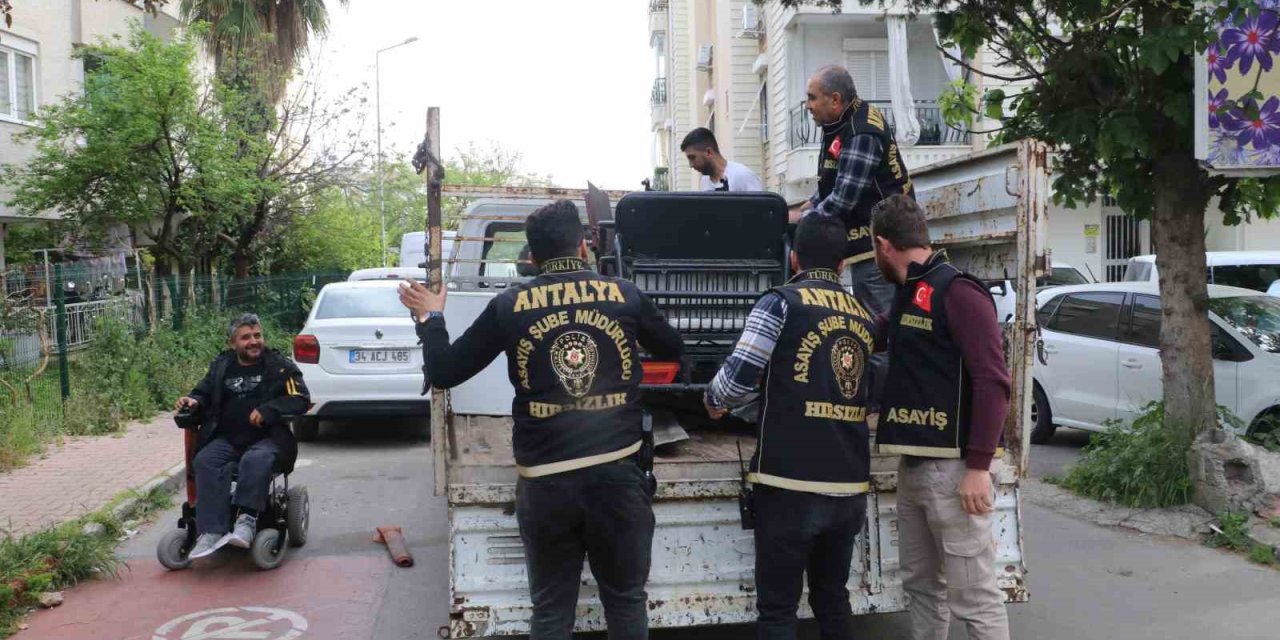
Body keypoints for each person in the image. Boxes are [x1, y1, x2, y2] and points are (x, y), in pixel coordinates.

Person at [398, 200, 684, 640]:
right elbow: (672, 348)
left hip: (545, 481)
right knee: (626, 601)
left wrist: (431, 317)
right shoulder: (625, 295)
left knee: (551, 613)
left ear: (531, 256)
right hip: (618, 476)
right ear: (584, 246)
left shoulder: (509, 305)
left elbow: (444, 372)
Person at [703, 214, 876, 640]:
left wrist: (714, 401)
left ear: (794, 258)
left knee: (778, 609)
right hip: (849, 485)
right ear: (842, 265)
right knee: (832, 598)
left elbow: (738, 379)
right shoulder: (865, 315)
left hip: (788, 484)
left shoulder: (780, 302)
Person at [870, 194, 1011, 640]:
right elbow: (881, 331)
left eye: (874, 250)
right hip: (913, 465)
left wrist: (978, 467)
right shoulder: (911, 290)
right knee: (921, 588)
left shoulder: (959, 291)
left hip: (955, 472)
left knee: (975, 599)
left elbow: (993, 383)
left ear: (882, 245)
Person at [798, 64, 915, 407]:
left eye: (812, 98)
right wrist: (808, 205)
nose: (808, 106)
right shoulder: (846, 120)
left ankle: (881, 409)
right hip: (873, 238)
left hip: (881, 243)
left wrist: (805, 223)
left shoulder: (861, 131)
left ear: (835, 99)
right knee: (874, 322)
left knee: (877, 331)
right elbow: (835, 182)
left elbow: (844, 198)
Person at [175, 313, 310, 559]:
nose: (254, 341)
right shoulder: (222, 366)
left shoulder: (279, 366)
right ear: (232, 343)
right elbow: (203, 391)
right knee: (206, 460)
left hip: (269, 439)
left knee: (255, 459)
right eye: (246, 337)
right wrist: (193, 400)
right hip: (229, 438)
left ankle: (247, 521)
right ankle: (211, 531)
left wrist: (268, 410)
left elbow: (300, 399)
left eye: (257, 335)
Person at [681, 127, 764, 192]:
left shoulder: (742, 175)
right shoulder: (705, 181)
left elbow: (760, 207)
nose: (691, 165)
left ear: (708, 152)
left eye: (692, 157)